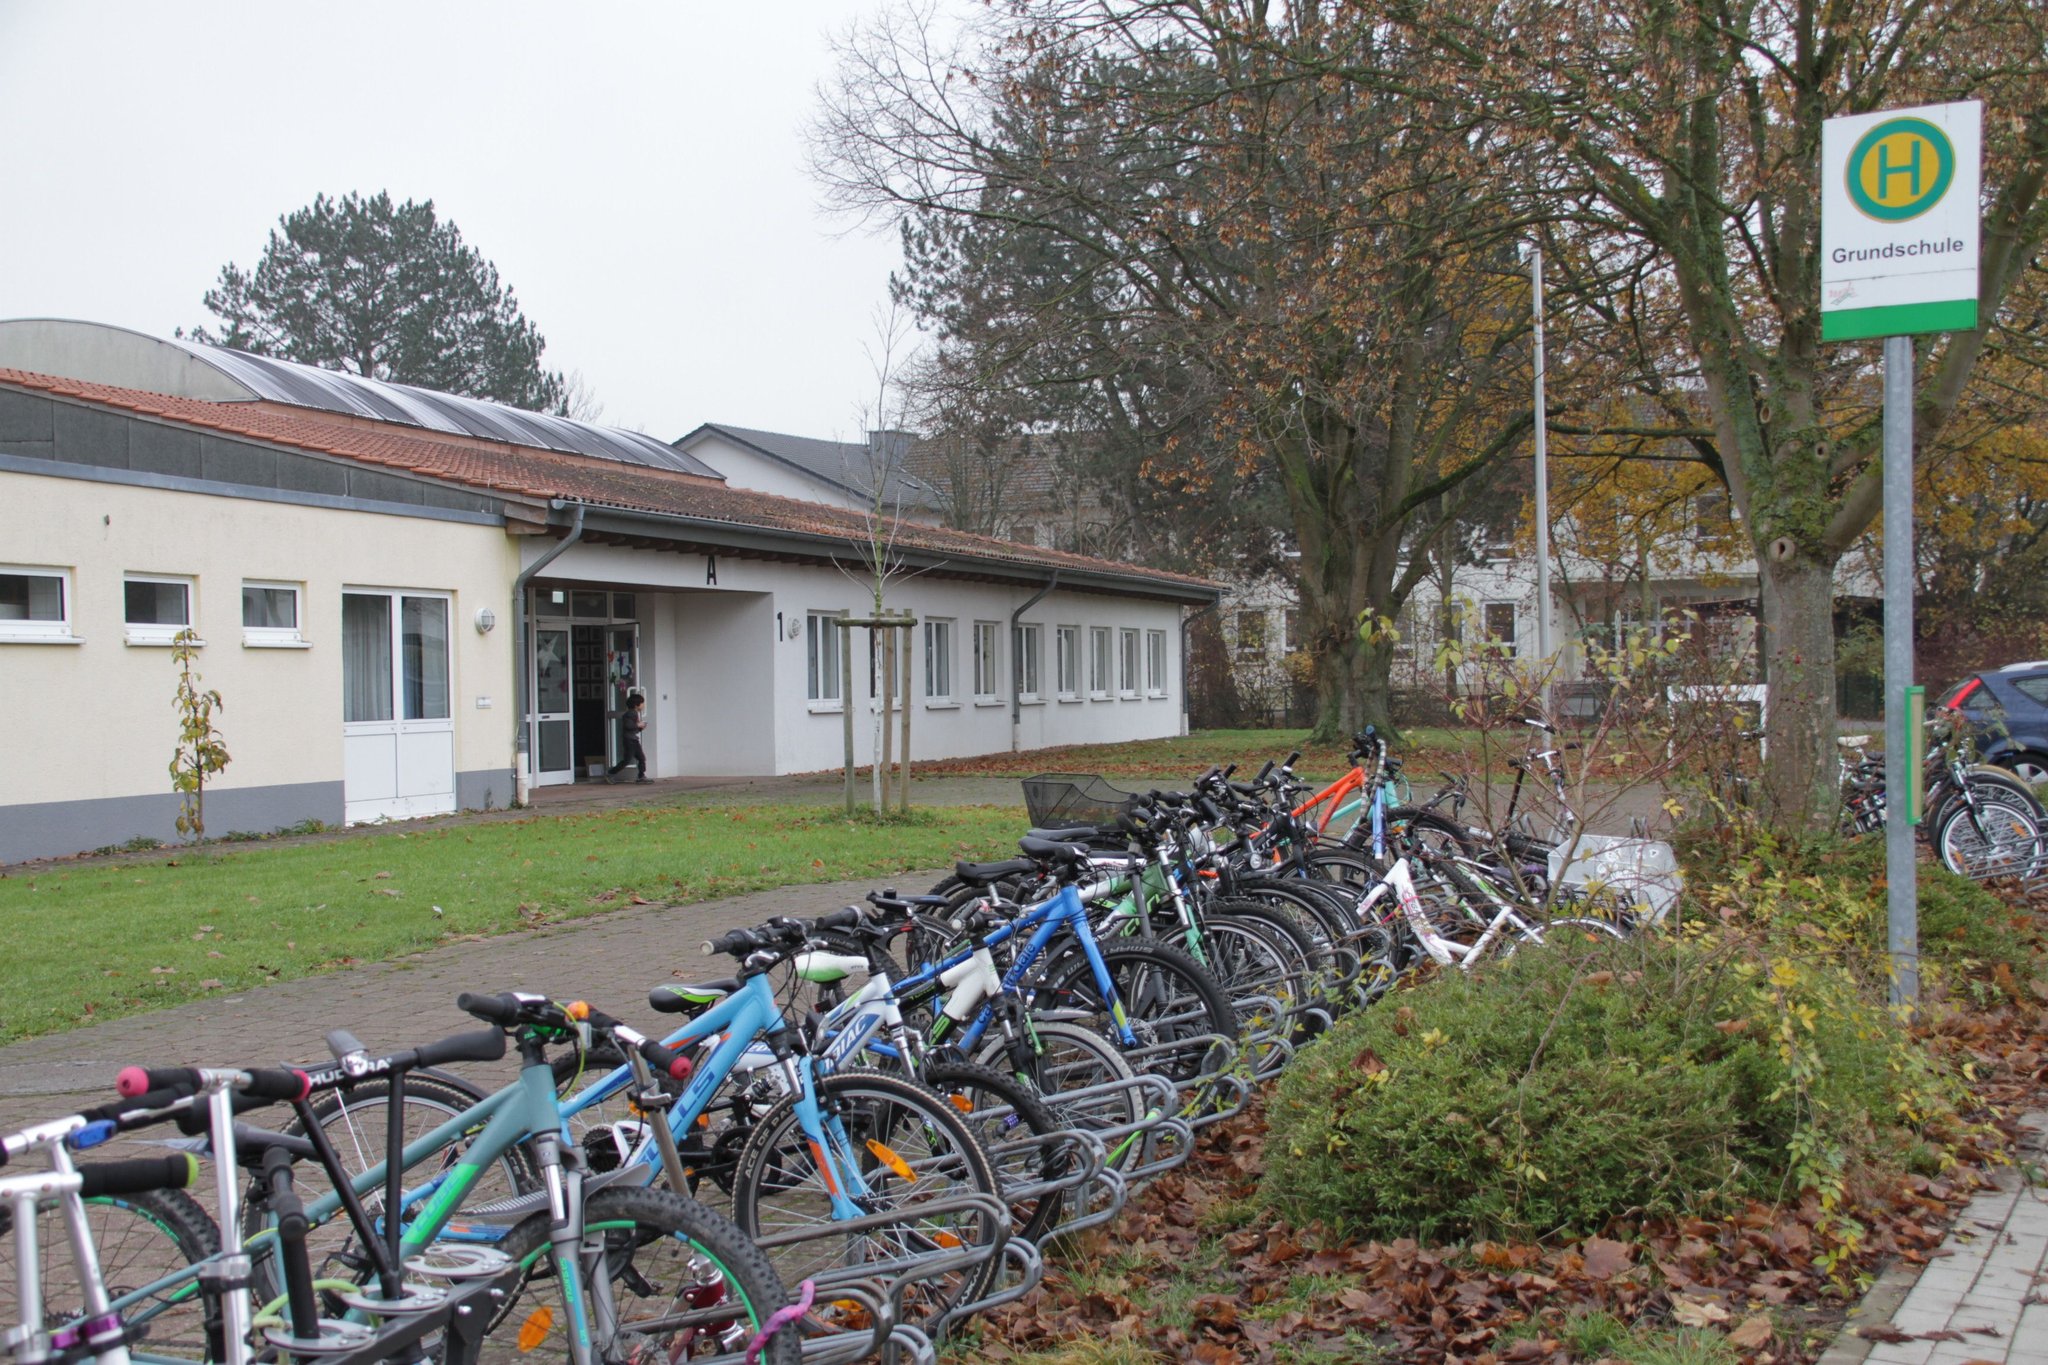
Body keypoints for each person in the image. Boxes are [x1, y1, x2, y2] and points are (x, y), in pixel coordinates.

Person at [604, 691, 649, 784]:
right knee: (627, 760)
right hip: (630, 740)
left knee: (641, 758)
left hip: (633, 739)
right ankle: (610, 773)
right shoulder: (630, 713)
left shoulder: (634, 713)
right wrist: (638, 725)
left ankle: (641, 776)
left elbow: (633, 728)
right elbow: (628, 726)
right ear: (637, 705)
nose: (643, 705)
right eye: (642, 703)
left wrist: (640, 727)